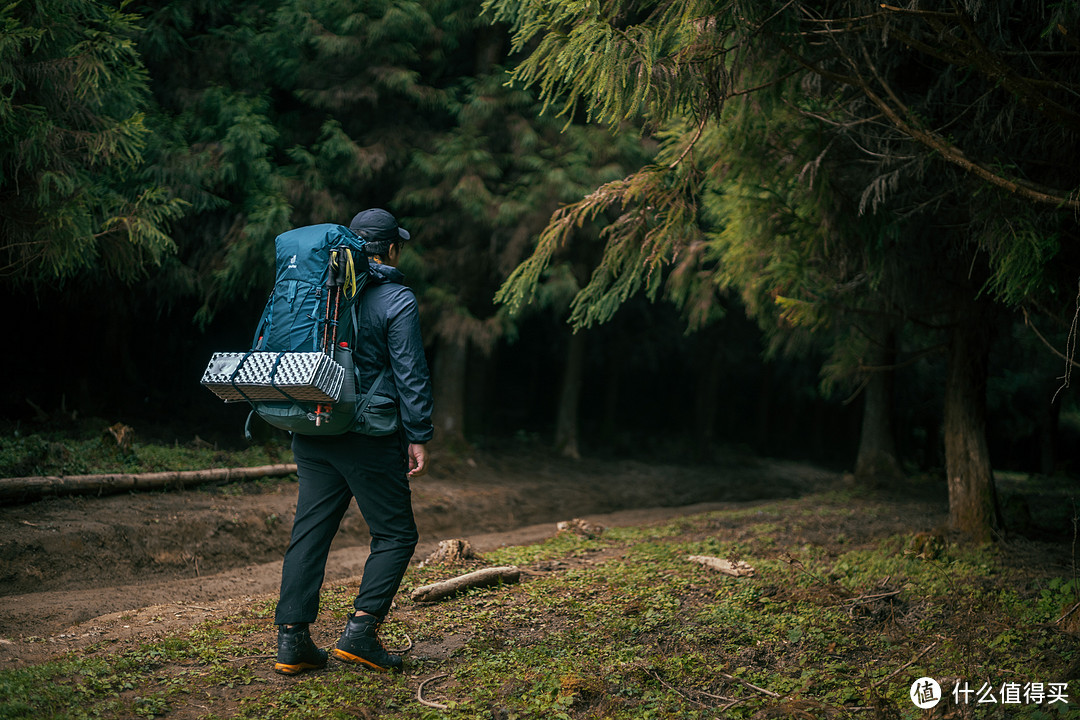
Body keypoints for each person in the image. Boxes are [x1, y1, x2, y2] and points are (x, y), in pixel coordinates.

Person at [273, 208, 434, 675]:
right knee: (397, 533)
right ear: (389, 249)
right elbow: (410, 374)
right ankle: (361, 633)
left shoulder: (321, 290)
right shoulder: (396, 298)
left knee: (310, 531)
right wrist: (418, 435)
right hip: (367, 436)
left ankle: (292, 642)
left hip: (313, 426)